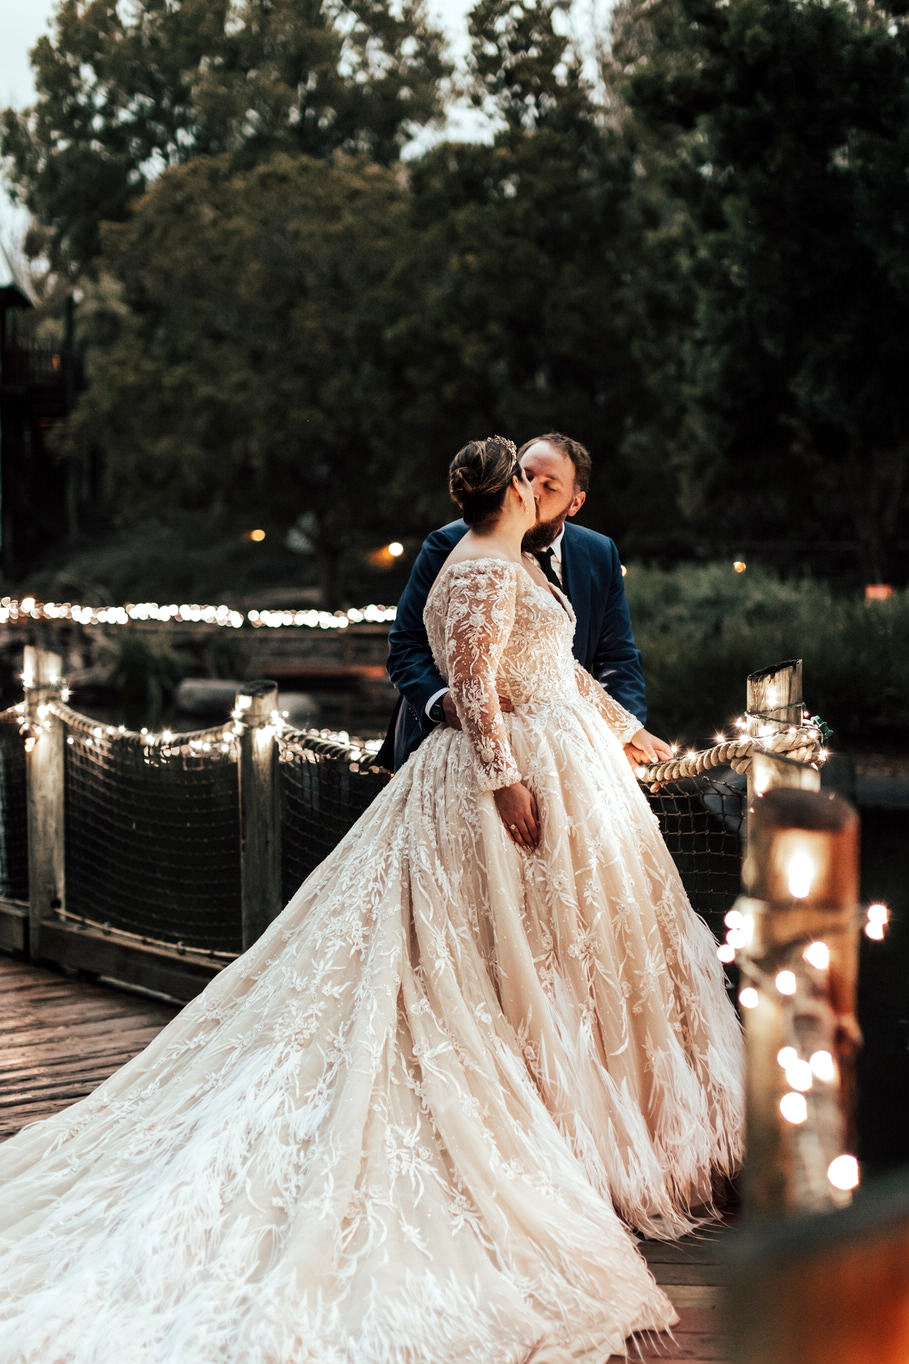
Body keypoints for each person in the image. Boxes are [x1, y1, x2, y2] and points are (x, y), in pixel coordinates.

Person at [0, 437, 743, 1364]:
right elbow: (470, 687)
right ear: (513, 487)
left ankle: (594, 1138)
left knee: (553, 963)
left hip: (573, 772)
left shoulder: (522, 559)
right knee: (463, 970)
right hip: (494, 784)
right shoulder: (473, 566)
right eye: (529, 474)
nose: (540, 487)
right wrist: (506, 781)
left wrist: (645, 742)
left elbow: (570, 675)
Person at [376, 431, 672, 774]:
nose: (533, 491)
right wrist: (442, 703)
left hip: (563, 749)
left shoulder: (598, 553)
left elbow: (616, 659)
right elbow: (405, 645)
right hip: (458, 746)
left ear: (575, 503)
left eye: (550, 486)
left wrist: (623, 734)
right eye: (526, 476)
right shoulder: (453, 545)